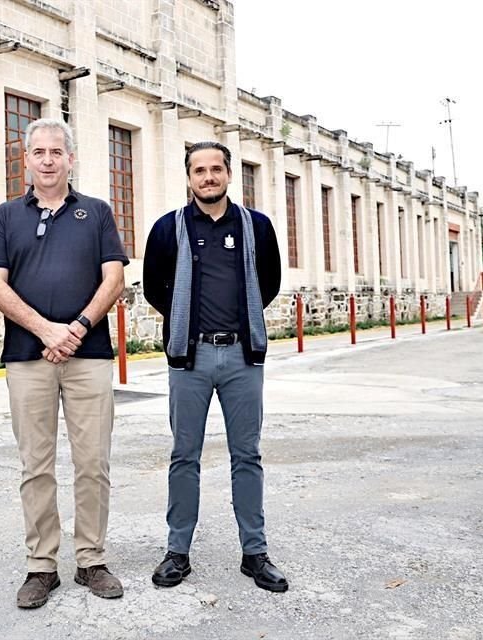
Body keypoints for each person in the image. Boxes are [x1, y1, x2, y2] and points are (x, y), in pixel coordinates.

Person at [0, 118, 129, 609]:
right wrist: (46, 330)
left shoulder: (98, 212)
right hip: (28, 357)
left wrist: (77, 329)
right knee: (35, 466)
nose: (47, 160)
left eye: (56, 152)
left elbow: (113, 279)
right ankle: (42, 567)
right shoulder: (6, 216)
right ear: (26, 160)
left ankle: (91, 560)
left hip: (87, 357)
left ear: (70, 158)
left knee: (92, 463)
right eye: (38, 152)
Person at [142, 141, 288, 593]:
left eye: (216, 169)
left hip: (242, 358)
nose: (208, 177)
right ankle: (178, 552)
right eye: (199, 170)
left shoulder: (255, 227)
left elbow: (269, 283)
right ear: (188, 178)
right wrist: (188, 323)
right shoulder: (168, 229)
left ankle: (255, 552)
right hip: (190, 358)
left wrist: (237, 322)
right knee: (184, 456)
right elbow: (153, 288)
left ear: (229, 175)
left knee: (248, 455)